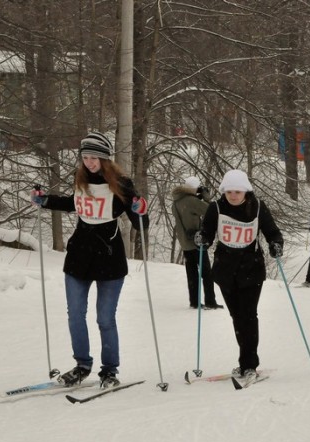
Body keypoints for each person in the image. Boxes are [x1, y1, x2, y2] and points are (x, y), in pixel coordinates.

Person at [30, 131, 149, 388]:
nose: (90, 162)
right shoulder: (80, 178)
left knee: (105, 319)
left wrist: (141, 210)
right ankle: (82, 365)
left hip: (110, 259)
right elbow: (73, 204)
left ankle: (110, 370)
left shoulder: (121, 184)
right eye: (86, 157)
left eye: (95, 157)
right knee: (75, 315)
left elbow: (140, 222)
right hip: (79, 258)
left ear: (105, 159)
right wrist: (45, 200)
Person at [196, 169, 283, 382]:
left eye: (237, 191)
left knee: (249, 316)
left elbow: (273, 232)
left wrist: (276, 244)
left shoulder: (258, 207)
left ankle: (249, 364)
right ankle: (244, 363)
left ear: (246, 191)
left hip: (251, 270)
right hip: (225, 270)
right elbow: (206, 231)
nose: (233, 196)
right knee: (237, 317)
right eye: (229, 192)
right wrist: (202, 239)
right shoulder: (216, 208)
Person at [171, 176, 223, 310]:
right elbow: (211, 211)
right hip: (196, 241)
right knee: (206, 273)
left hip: (184, 242)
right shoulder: (191, 201)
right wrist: (206, 198)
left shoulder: (176, 201)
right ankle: (210, 301)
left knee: (192, 273)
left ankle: (194, 301)